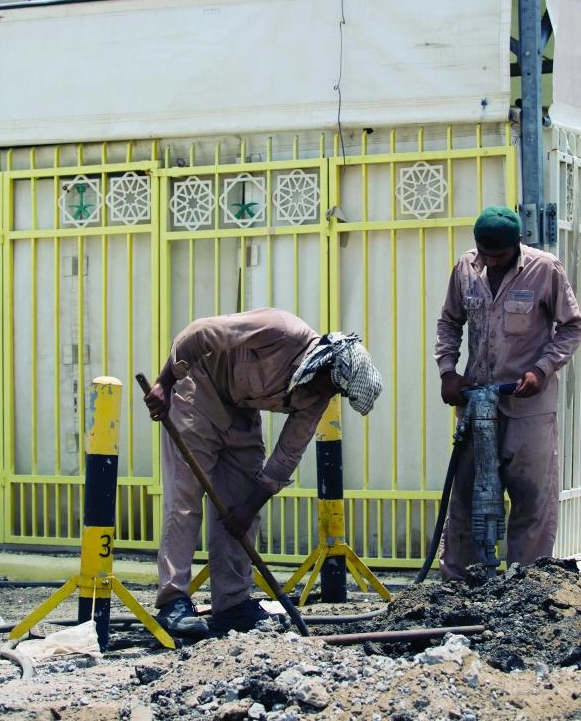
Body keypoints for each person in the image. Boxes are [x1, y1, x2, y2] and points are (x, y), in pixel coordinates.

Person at [144, 306, 383, 638]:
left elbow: (287, 456)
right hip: (198, 395)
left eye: (336, 392)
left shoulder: (318, 395)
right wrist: (164, 382)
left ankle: (232, 604)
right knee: (185, 501)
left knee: (241, 509)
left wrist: (247, 508)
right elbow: (199, 332)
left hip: (241, 416)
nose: (328, 394)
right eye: (330, 384)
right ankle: (173, 602)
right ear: (325, 364)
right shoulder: (280, 330)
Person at [434, 205, 581, 580]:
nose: (491, 261)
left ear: (517, 243)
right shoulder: (466, 267)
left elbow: (571, 327)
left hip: (527, 406)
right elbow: (449, 322)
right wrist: (448, 371)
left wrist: (541, 369)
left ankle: (525, 584)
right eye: (485, 253)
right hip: (476, 401)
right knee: (466, 496)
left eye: (498, 255)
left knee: (531, 498)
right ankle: (458, 584)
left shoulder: (545, 269)